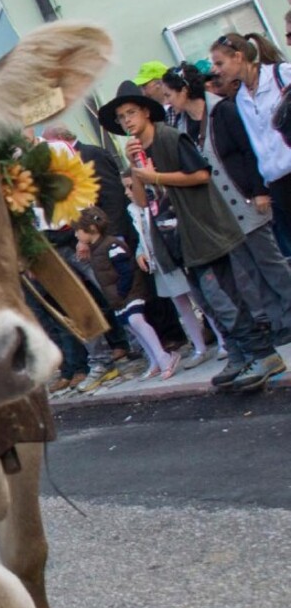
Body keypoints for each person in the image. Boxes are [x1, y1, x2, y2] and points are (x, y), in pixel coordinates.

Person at [101, 81, 286, 391]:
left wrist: (156, 176)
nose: (126, 121)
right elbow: (143, 202)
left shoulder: (169, 137)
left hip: (202, 231)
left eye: (131, 113)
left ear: (146, 112)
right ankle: (238, 355)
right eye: (121, 117)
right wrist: (135, 170)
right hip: (175, 239)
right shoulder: (139, 152)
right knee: (208, 302)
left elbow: (200, 174)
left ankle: (263, 354)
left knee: (225, 297)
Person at [164, 64, 291, 341]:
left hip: (245, 197)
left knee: (270, 262)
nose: (168, 101)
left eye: (170, 94)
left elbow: (249, 150)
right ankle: (278, 321)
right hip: (220, 210)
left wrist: (259, 190)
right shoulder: (181, 126)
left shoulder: (222, 111)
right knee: (250, 270)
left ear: (184, 90)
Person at [122, 171, 224, 368]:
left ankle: (223, 339)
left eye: (130, 186)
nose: (127, 192)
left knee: (200, 300)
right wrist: (140, 251)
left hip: (173, 253)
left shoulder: (157, 200)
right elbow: (142, 234)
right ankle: (199, 347)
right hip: (159, 261)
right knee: (181, 305)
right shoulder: (133, 209)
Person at [74, 207, 181, 381]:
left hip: (129, 292)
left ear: (91, 228)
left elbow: (126, 271)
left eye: (78, 230)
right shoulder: (95, 250)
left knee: (136, 320)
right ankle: (154, 359)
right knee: (132, 326)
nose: (76, 235)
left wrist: (122, 292)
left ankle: (164, 357)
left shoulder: (112, 245)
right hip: (117, 297)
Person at [209, 32, 291, 256]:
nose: (216, 70)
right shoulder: (241, 98)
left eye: (220, 63)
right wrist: (262, 187)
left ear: (238, 57)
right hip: (277, 183)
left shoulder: (280, 75)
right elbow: (255, 143)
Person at [133, 61, 179, 126]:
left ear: (159, 83)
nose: (143, 93)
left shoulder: (179, 107)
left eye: (144, 86)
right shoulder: (155, 115)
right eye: (140, 87)